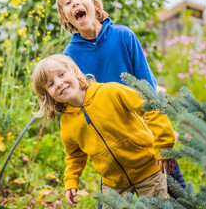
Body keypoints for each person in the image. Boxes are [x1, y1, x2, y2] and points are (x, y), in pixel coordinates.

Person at [55, 0, 187, 196]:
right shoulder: (69, 56)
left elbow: (146, 84)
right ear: (65, 16)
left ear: (95, 5)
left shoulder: (123, 35)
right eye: (68, 3)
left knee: (176, 189)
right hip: (111, 138)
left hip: (142, 125)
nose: (75, 3)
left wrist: (159, 131)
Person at [32, 54, 176, 208]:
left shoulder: (110, 91)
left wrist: (164, 144)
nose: (59, 83)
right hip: (113, 184)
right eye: (51, 84)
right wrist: (71, 180)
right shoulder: (67, 123)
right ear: (47, 95)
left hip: (148, 171)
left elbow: (151, 107)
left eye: (61, 74)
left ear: (74, 71)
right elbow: (75, 154)